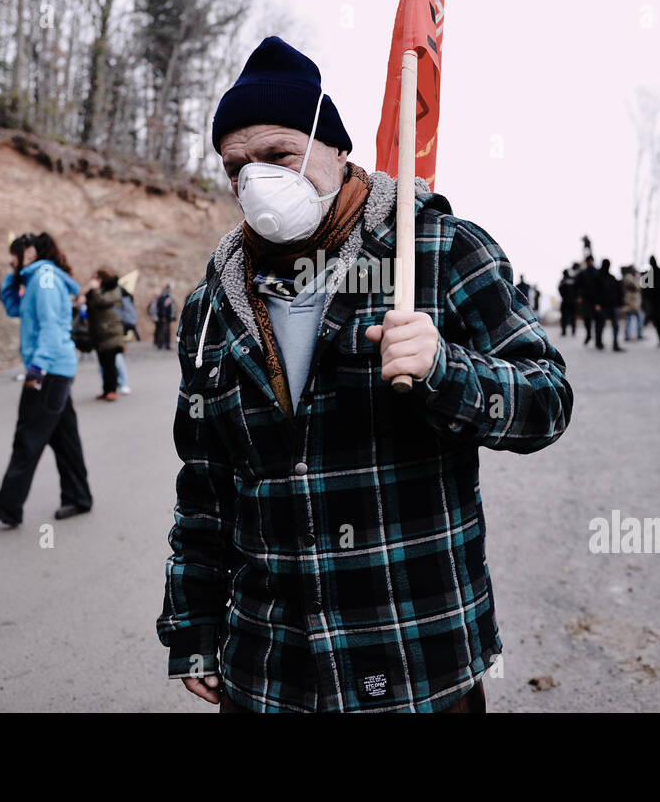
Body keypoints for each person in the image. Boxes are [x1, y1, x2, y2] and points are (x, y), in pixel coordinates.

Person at [156, 36, 573, 713]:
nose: (257, 181)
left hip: (415, 657)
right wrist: (194, 627)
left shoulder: (436, 250)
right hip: (268, 672)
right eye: (238, 168)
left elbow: (547, 401)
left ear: (336, 147)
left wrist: (446, 370)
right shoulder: (214, 305)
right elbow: (204, 488)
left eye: (279, 156)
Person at [0, 233, 93, 526]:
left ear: (28, 253)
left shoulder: (46, 278)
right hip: (56, 369)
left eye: (13, 255)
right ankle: (79, 498)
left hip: (49, 370)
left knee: (28, 436)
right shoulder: (35, 278)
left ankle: (8, 507)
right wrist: (3, 286)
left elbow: (51, 327)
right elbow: (15, 309)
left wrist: (37, 369)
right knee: (65, 439)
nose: (10, 260)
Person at [85, 268, 126, 402]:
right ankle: (106, 390)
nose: (95, 281)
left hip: (110, 332)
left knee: (110, 363)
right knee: (103, 363)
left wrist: (95, 290)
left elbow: (103, 301)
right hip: (99, 333)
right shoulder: (97, 291)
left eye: (97, 278)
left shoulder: (114, 289)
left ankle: (112, 390)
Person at [594, 258, 624, 351]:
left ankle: (615, 344)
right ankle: (599, 342)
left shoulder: (612, 278)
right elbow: (595, 292)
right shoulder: (598, 278)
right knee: (601, 324)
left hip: (612, 305)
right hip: (603, 305)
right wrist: (597, 304)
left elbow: (618, 291)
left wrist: (620, 304)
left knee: (615, 325)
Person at [576, 255, 599, 344]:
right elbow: (578, 286)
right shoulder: (583, 273)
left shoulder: (596, 272)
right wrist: (579, 296)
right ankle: (589, 334)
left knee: (597, 319)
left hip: (595, 299)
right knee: (587, 319)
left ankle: (597, 339)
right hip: (586, 299)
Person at [621, 265, 643, 341]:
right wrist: (637, 278)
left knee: (639, 318)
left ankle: (639, 334)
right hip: (630, 302)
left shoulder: (631, 276)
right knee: (629, 320)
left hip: (635, 303)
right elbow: (636, 286)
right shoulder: (628, 277)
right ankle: (628, 335)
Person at [152, 284, 177, 350]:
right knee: (163, 331)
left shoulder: (167, 296)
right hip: (164, 317)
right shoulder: (165, 297)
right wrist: (163, 316)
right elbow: (163, 307)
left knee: (165, 331)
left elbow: (171, 307)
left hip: (166, 316)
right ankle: (162, 345)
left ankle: (164, 345)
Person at [558, 264, 579, 336]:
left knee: (564, 317)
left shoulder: (562, 281)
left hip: (565, 301)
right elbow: (577, 290)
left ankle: (564, 331)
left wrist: (564, 297)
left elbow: (560, 290)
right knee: (573, 316)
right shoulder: (573, 280)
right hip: (573, 301)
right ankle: (573, 330)